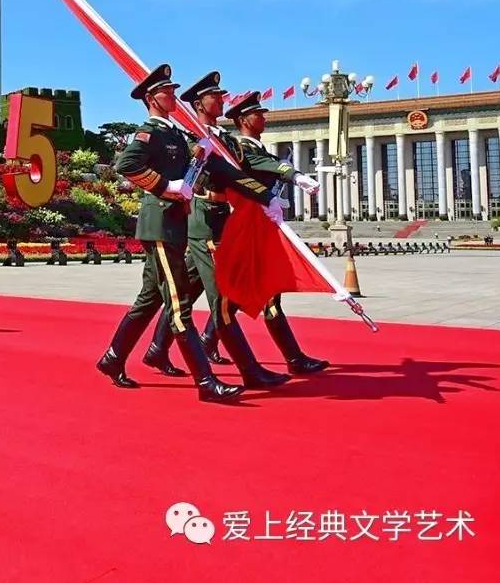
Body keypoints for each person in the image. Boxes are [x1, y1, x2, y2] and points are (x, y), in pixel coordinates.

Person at [94, 64, 277, 402]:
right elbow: (127, 165)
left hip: (175, 223)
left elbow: (219, 169)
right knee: (179, 306)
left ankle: (112, 358)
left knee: (149, 300)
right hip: (160, 225)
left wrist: (266, 196)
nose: (173, 96)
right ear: (152, 98)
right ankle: (206, 384)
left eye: (173, 90)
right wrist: (166, 186)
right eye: (167, 92)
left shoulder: (177, 135)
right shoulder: (149, 132)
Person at [141, 72, 316, 388]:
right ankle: (249, 369)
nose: (222, 100)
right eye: (216, 97)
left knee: (188, 290)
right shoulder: (191, 138)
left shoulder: (227, 140)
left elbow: (239, 173)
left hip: (221, 219)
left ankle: (157, 348)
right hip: (204, 219)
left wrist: (270, 194)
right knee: (221, 296)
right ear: (199, 103)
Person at [226, 92, 330, 375]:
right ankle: (293, 358)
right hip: (246, 229)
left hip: (260, 227)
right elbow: (269, 166)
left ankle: (293, 358)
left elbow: (269, 164)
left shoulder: (256, 148)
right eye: (257, 113)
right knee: (231, 295)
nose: (263, 117)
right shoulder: (242, 148)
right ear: (242, 120)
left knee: (249, 294)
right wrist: (295, 175)